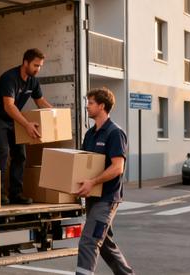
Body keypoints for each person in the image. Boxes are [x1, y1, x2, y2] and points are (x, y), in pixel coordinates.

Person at [75, 88, 134, 275]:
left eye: (91, 103)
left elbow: (118, 167)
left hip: (107, 199)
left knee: (89, 240)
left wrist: (92, 182)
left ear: (102, 106)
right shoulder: (90, 134)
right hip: (93, 196)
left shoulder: (115, 133)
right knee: (105, 243)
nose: (87, 106)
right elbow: (84, 164)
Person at [0, 48, 53, 205]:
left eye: (40, 66)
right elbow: (9, 106)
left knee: (20, 155)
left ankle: (16, 193)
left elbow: (40, 101)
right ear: (25, 62)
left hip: (14, 119)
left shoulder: (33, 81)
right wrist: (26, 124)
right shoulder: (9, 78)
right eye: (36, 65)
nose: (38, 69)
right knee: (3, 151)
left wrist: (55, 115)